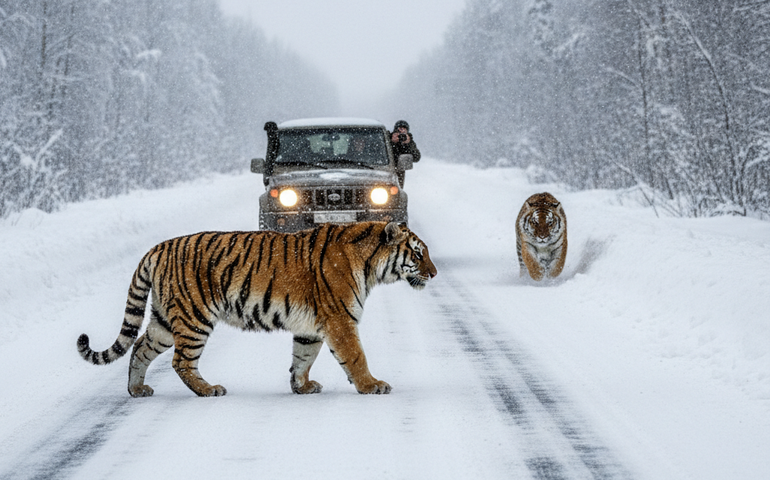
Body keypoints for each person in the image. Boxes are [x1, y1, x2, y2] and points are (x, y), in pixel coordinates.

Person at [389, 120, 421, 187]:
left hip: (399, 173)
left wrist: (407, 144)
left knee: (397, 194)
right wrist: (391, 142)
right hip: (386, 169)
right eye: (399, 130)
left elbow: (417, 157)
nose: (401, 135)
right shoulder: (388, 138)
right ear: (395, 131)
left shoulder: (409, 142)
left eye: (404, 131)